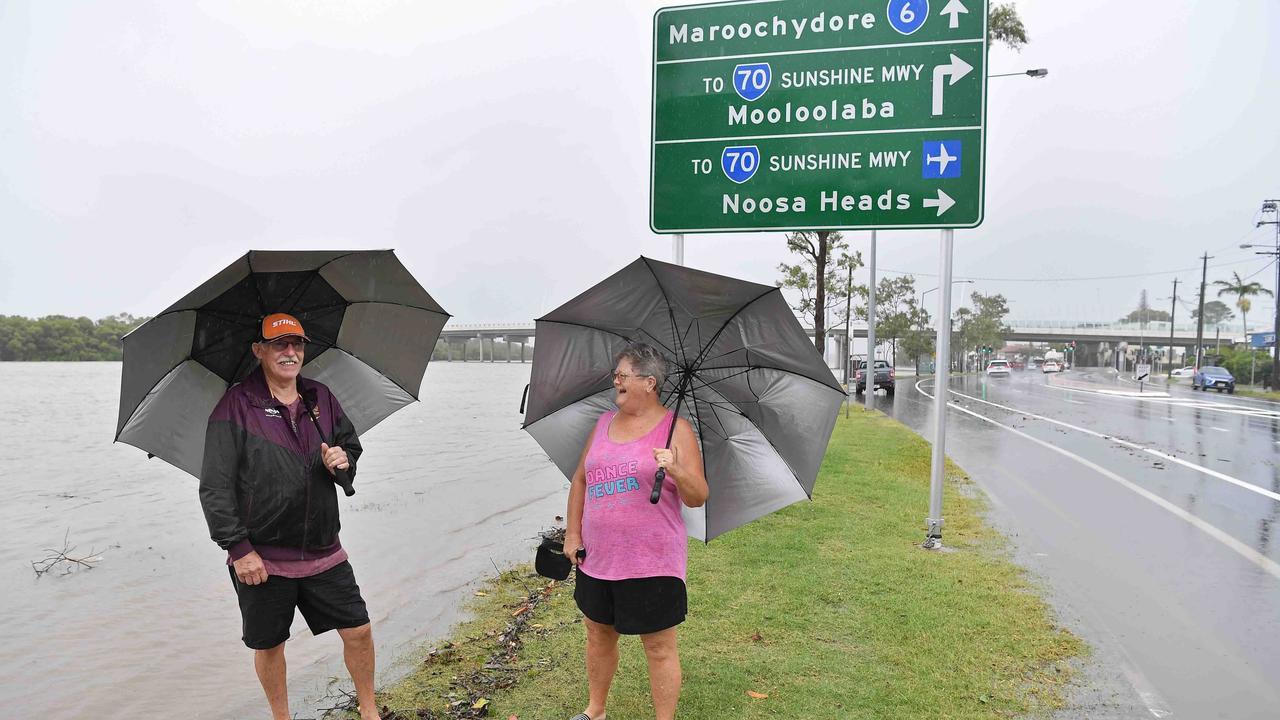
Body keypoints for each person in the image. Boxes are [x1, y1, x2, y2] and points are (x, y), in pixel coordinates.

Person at [199, 313, 379, 720]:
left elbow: (350, 446)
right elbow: (214, 486)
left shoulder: (320, 397)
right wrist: (239, 549)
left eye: (297, 344)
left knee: (359, 630)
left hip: (322, 548)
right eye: (279, 344)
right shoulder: (236, 405)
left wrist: (343, 460)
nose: (290, 352)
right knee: (270, 646)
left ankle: (369, 711)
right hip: (261, 558)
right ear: (259, 350)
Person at [562, 342, 709, 720]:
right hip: (598, 558)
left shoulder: (677, 430)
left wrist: (675, 469)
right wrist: (572, 535)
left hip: (653, 561)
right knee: (597, 633)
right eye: (616, 375)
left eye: (622, 375)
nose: (616, 380)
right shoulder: (602, 423)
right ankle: (595, 711)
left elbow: (698, 496)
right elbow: (580, 479)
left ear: (649, 382)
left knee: (658, 645)